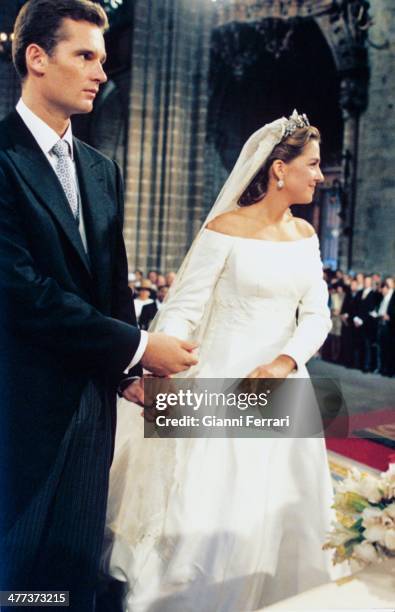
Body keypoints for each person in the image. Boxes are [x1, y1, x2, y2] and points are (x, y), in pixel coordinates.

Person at [103, 111, 347, 611]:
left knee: (282, 513)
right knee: (207, 512)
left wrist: (284, 361)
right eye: (314, 164)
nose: (321, 176)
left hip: (280, 387)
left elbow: (317, 317)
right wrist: (159, 369)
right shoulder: (224, 229)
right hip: (217, 382)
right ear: (280, 169)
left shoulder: (306, 236)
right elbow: (184, 311)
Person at [0, 1, 197, 608]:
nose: (100, 73)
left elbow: (111, 285)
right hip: (21, 410)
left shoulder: (102, 169)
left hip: (92, 407)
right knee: (16, 581)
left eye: (103, 59)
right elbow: (22, 292)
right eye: (84, 56)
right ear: (37, 58)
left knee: (71, 579)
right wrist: (139, 344)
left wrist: (129, 373)